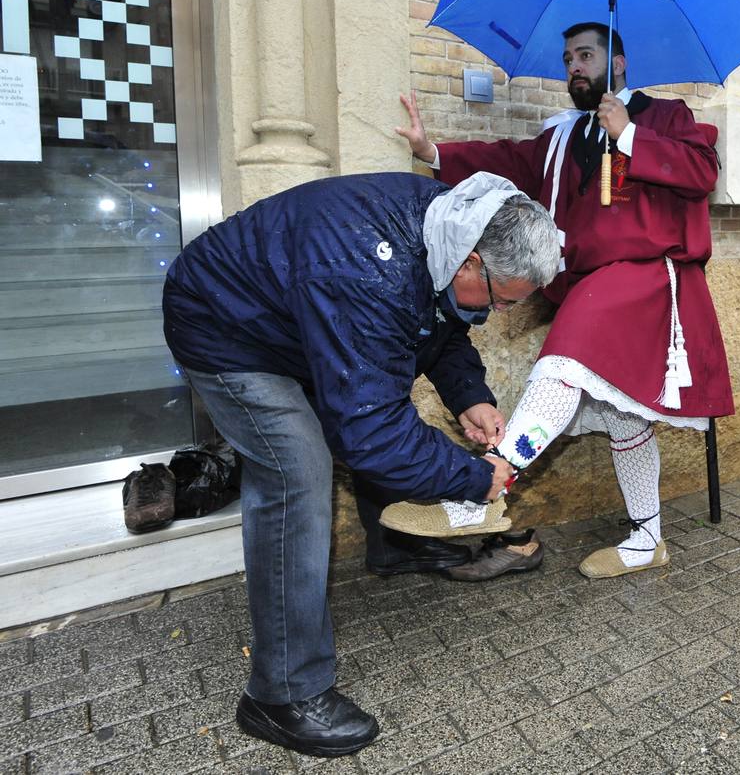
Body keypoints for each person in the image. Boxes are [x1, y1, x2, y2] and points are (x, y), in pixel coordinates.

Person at [162, 171, 559, 757]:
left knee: (373, 403)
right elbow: (369, 428)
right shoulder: (365, 269)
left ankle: (396, 545)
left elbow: (443, 328)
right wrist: (475, 477)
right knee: (297, 470)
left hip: (299, 320)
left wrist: (469, 395)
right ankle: (282, 694)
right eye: (502, 299)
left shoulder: (452, 225)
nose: (500, 313)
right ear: (470, 262)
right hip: (226, 327)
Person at [389, 21, 733, 578]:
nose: (574, 66)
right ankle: (649, 542)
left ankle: (478, 494)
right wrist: (433, 150)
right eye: (569, 57)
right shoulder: (561, 137)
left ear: (617, 64)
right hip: (589, 282)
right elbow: (506, 160)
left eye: (587, 55)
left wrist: (630, 136)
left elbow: (701, 172)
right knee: (623, 417)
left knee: (562, 368)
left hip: (645, 279)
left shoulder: (666, 117)